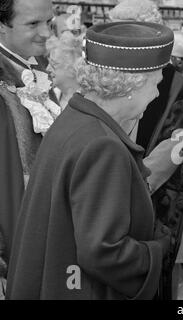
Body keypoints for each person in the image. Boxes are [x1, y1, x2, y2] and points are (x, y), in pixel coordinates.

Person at [6, 21, 174, 300]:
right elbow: (104, 252)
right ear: (134, 84)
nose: (157, 94)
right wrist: (157, 249)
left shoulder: (74, 120)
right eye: (156, 83)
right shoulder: (102, 145)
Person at [108, 0, 183, 300]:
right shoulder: (111, 75)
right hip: (110, 197)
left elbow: (177, 146)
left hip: (150, 201)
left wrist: (131, 189)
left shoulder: (174, 83)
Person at [0, 0, 55, 266]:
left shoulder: (35, 71)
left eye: (49, 22)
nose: (46, 33)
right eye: (33, 23)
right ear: (2, 25)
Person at [46, 32, 83, 109]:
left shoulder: (86, 102)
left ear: (72, 69)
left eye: (54, 65)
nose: (48, 69)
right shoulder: (50, 97)